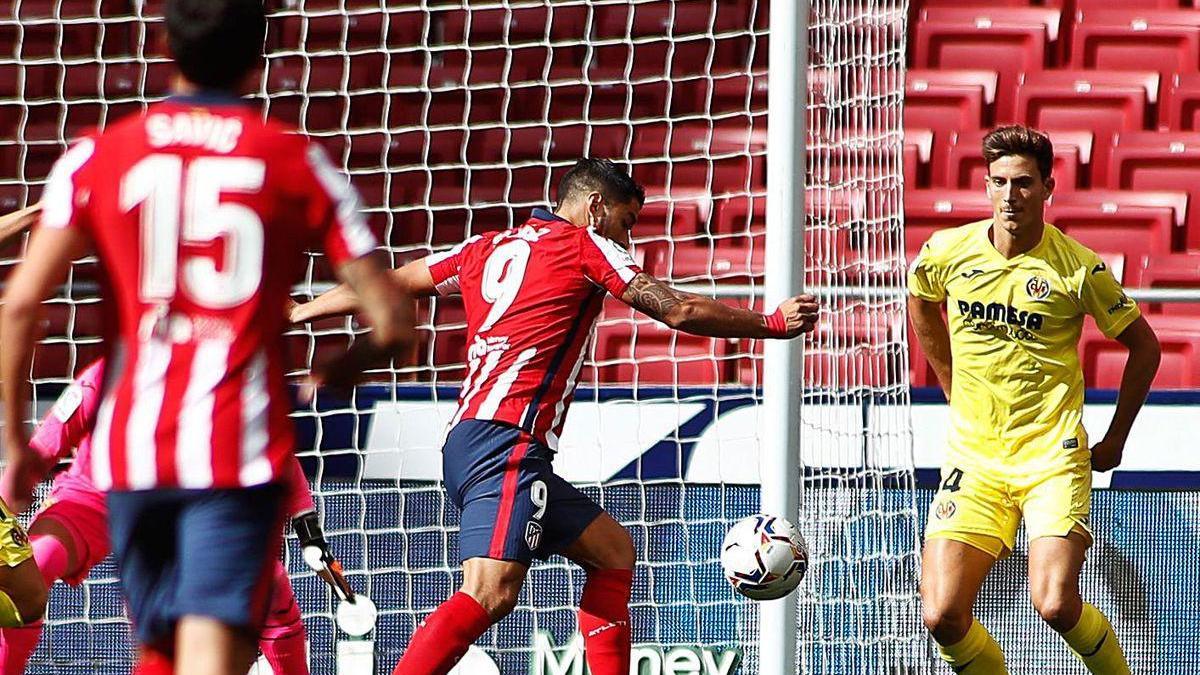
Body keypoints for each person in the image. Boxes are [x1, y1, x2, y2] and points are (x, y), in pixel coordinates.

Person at [0, 1, 413, 673]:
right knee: (209, 654)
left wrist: (19, 447)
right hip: (232, 458)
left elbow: (19, 305)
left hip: (133, 461)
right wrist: (338, 370)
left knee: (159, 649)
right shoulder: (298, 161)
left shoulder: (97, 156)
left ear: (163, 43)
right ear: (260, 59)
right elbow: (395, 324)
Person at [292, 157, 820, 675]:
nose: (628, 239)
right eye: (627, 221)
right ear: (595, 207)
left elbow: (397, 281)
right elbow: (674, 308)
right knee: (490, 592)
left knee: (613, 552)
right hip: (506, 443)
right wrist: (770, 324)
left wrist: (302, 310)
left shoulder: (486, 246)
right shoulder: (586, 245)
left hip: (481, 438)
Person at [908, 125, 1161, 674]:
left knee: (1053, 602)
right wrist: (948, 379)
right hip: (974, 460)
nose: (1009, 196)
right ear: (985, 185)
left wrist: (1116, 437)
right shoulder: (947, 252)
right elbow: (922, 298)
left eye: (1022, 184)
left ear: (1049, 188)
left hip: (1051, 458)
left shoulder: (1078, 267)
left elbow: (1144, 347)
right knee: (941, 614)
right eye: (998, 182)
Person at [0, 357, 344, 674]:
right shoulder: (106, 373)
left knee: (270, 582)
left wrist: (308, 529)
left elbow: (274, 448)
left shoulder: (224, 377)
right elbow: (44, 445)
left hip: (189, 502)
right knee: (36, 562)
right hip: (96, 494)